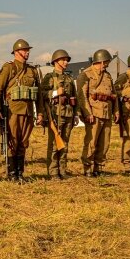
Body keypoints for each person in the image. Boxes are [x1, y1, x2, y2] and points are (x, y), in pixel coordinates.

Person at [0, 39, 43, 182]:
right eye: (24, 50)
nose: (27, 52)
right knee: (12, 142)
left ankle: (20, 173)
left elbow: (38, 95)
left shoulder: (32, 70)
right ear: (16, 52)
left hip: (27, 112)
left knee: (23, 142)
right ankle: (12, 174)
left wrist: (39, 113)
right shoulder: (9, 68)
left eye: (28, 50)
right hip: (12, 112)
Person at [76, 49, 119, 177]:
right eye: (106, 62)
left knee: (104, 143)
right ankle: (87, 168)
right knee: (91, 142)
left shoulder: (107, 76)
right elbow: (81, 96)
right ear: (100, 61)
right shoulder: (85, 75)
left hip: (106, 112)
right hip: (94, 113)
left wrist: (116, 111)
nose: (107, 64)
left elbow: (113, 95)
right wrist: (87, 113)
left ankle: (99, 168)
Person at [41, 49, 78, 180]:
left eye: (67, 60)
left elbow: (75, 96)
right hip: (55, 114)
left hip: (68, 113)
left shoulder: (69, 78)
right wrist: (56, 92)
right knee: (54, 143)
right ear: (56, 61)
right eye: (63, 60)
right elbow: (42, 94)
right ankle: (53, 171)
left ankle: (62, 170)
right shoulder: (49, 77)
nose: (66, 62)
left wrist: (76, 114)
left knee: (65, 143)